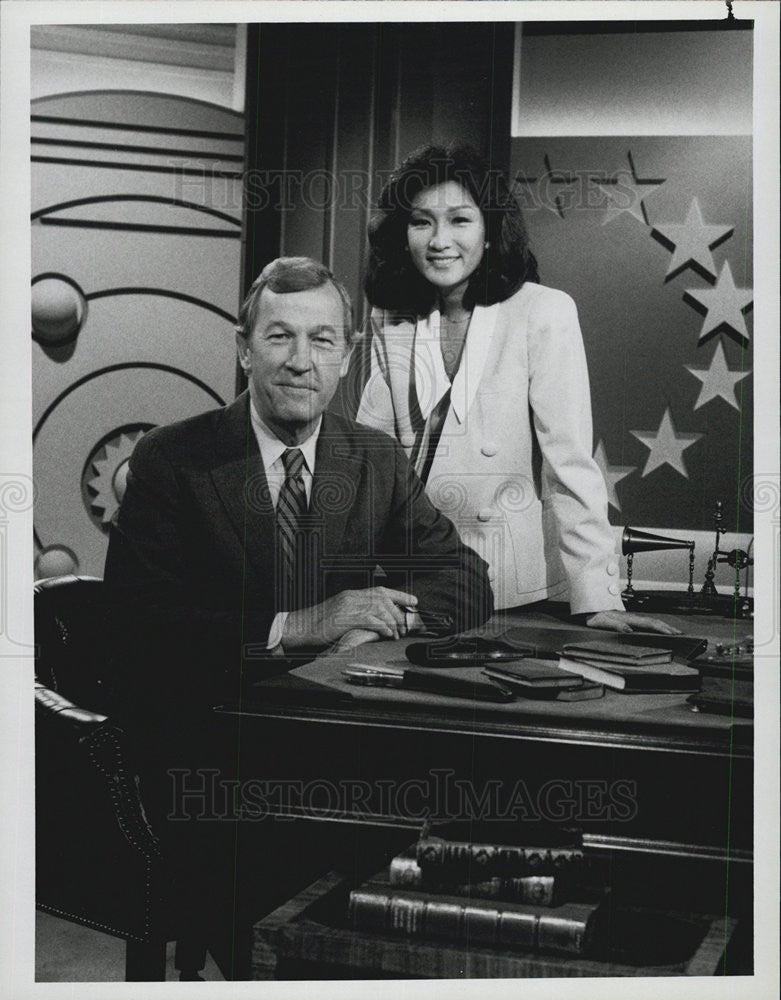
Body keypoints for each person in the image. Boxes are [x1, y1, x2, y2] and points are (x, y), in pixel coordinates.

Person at [103, 255, 493, 978]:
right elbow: (137, 628)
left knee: (437, 853)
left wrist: (382, 622)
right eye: (279, 337)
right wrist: (296, 625)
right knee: (293, 907)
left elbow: (464, 576)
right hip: (211, 755)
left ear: (346, 357)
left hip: (344, 749)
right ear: (243, 346)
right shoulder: (174, 459)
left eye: (321, 340)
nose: (299, 362)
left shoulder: (372, 459)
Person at [357, 143, 678, 635]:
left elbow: (569, 462)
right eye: (422, 222)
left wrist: (597, 597)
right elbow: (368, 459)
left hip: (508, 586)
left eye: (460, 220)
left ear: (489, 232)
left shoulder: (542, 311)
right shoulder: (391, 319)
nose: (440, 240)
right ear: (403, 236)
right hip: (411, 579)